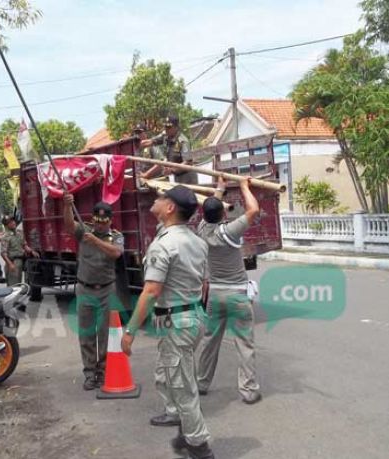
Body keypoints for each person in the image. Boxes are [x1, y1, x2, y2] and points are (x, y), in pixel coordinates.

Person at [121, 186, 214, 459]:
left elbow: (151, 292)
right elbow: (204, 283)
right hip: (191, 318)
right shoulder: (197, 241)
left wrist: (130, 331)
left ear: (170, 208)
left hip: (177, 322)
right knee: (172, 375)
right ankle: (185, 431)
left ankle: (200, 446)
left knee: (183, 387)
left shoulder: (164, 244)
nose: (156, 200)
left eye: (161, 198)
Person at [195, 176, 262, 405]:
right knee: (244, 343)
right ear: (224, 215)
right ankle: (248, 390)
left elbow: (211, 208)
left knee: (209, 341)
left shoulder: (202, 230)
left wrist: (219, 189)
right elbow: (253, 209)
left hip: (215, 295)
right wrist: (244, 186)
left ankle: (201, 383)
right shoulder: (230, 231)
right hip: (236, 295)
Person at [63, 193, 124, 391]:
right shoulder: (85, 230)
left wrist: (95, 241)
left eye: (103, 221)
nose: (100, 225)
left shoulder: (116, 236)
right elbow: (69, 226)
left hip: (106, 289)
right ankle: (89, 373)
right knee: (86, 333)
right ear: (93, 219)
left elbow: (116, 253)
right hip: (85, 289)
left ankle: (103, 371)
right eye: (97, 221)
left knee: (105, 333)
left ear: (110, 220)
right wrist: (67, 206)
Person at [140, 115, 198, 185]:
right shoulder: (165, 135)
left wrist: (171, 170)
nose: (166, 129)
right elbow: (150, 141)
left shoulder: (183, 141)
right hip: (177, 177)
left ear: (176, 127)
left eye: (169, 127)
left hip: (188, 177)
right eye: (165, 126)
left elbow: (188, 163)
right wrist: (134, 144)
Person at [0, 214, 39, 286]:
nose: (13, 223)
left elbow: (24, 245)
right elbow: (3, 253)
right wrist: (10, 264)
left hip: (20, 261)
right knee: (13, 286)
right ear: (6, 225)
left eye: (13, 221)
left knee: (19, 284)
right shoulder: (5, 236)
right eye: (10, 222)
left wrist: (32, 251)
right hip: (12, 262)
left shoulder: (19, 233)